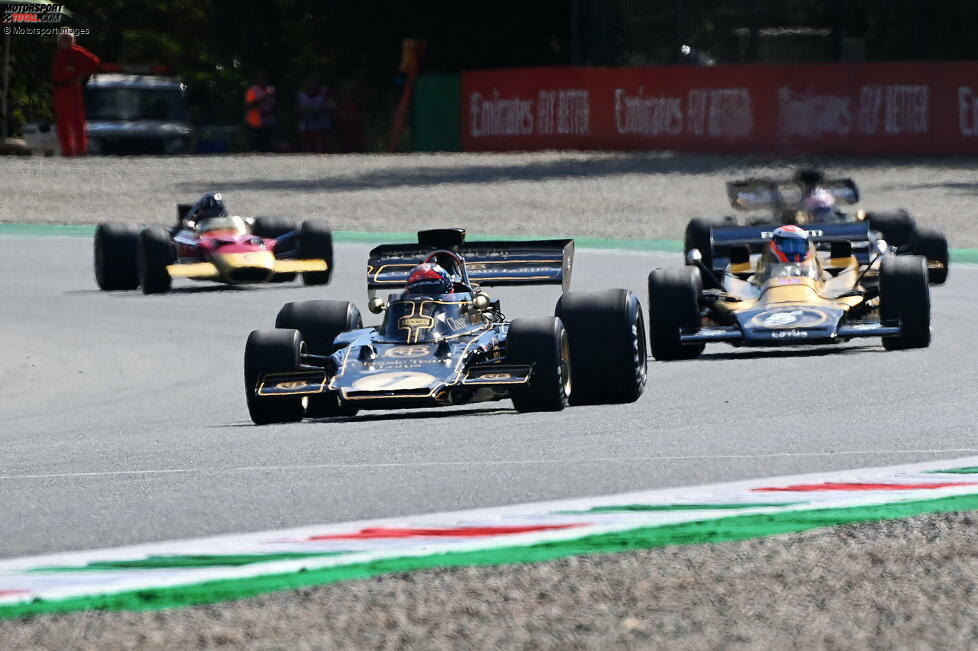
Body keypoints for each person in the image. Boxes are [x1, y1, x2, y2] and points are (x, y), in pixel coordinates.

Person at [52, 32, 100, 157]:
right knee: (62, 121)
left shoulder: (78, 52)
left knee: (76, 120)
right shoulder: (60, 53)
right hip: (60, 89)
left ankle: (80, 150)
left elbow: (94, 62)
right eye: (63, 39)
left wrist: (82, 75)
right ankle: (67, 150)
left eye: (68, 39)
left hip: (72, 89)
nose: (65, 41)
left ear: (73, 40)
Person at [297, 75, 334, 154]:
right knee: (307, 151)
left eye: (314, 82)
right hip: (306, 127)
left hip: (321, 128)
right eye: (310, 82)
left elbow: (332, 106)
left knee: (321, 151)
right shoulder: (301, 94)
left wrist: (320, 109)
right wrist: (305, 111)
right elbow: (297, 110)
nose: (312, 84)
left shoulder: (325, 93)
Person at [244, 70, 276, 152]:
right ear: (258, 78)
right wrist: (263, 98)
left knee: (267, 148)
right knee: (256, 149)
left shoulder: (271, 89)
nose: (264, 79)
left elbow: (274, 104)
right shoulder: (253, 90)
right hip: (254, 124)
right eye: (262, 77)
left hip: (268, 123)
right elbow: (248, 105)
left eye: (266, 77)